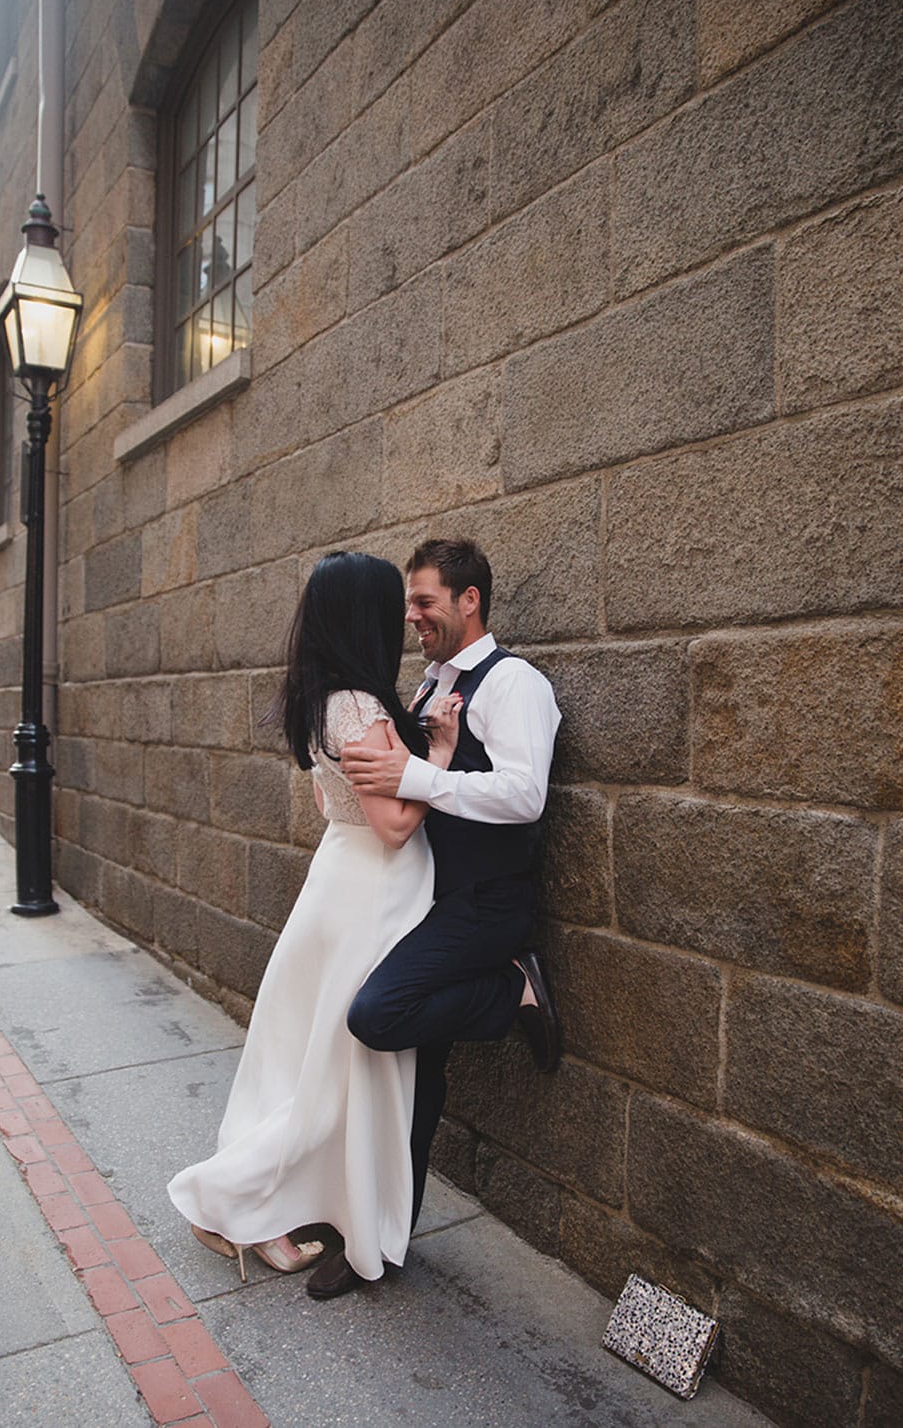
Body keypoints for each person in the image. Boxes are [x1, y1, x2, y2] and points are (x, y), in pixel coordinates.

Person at [167, 551, 462, 1286]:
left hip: (343, 877)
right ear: (361, 616)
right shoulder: (358, 706)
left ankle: (284, 1202)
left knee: (307, 1060)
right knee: (335, 1070)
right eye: (391, 605)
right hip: (371, 888)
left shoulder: (323, 699)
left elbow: (334, 806)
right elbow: (394, 826)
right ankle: (225, 1202)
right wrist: (443, 759)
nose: (401, 619)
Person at [305, 537, 562, 1301]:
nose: (411, 616)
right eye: (407, 604)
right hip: (425, 901)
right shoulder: (423, 689)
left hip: (485, 906)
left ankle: (514, 989)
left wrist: (419, 771)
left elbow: (525, 794)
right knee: (416, 1078)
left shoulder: (515, 683)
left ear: (469, 600)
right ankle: (375, 1239)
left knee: (379, 1016)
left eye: (424, 602)